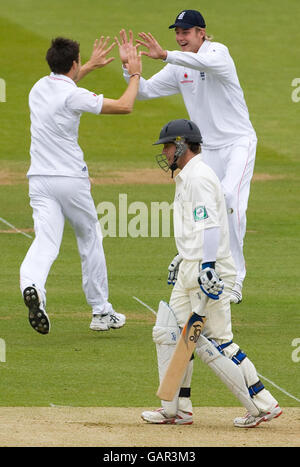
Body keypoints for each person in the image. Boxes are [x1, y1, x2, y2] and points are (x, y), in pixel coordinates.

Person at [140, 119, 282, 428]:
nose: (164, 153)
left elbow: (211, 225)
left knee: (217, 342)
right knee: (170, 333)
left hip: (210, 270)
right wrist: (184, 256)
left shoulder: (200, 176)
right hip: (192, 267)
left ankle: (262, 404)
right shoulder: (189, 176)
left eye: (167, 146)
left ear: (181, 145)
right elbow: (197, 225)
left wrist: (206, 265)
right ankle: (176, 408)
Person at [117, 10, 257, 303]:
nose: (181, 38)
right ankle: (204, 265)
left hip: (237, 144)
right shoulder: (178, 66)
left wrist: (166, 54)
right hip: (208, 150)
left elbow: (202, 62)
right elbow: (144, 92)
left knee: (230, 199)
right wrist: (129, 68)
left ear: (202, 33)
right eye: (177, 33)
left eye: (187, 32)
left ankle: (235, 280)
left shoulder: (218, 53)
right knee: (203, 205)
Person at [20, 36, 142, 334]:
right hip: (71, 180)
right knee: (89, 238)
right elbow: (125, 106)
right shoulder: (74, 96)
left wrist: (87, 66)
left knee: (46, 242)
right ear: (73, 63)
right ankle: (101, 312)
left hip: (39, 180)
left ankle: (33, 286)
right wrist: (135, 73)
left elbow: (64, 86)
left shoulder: (38, 88)